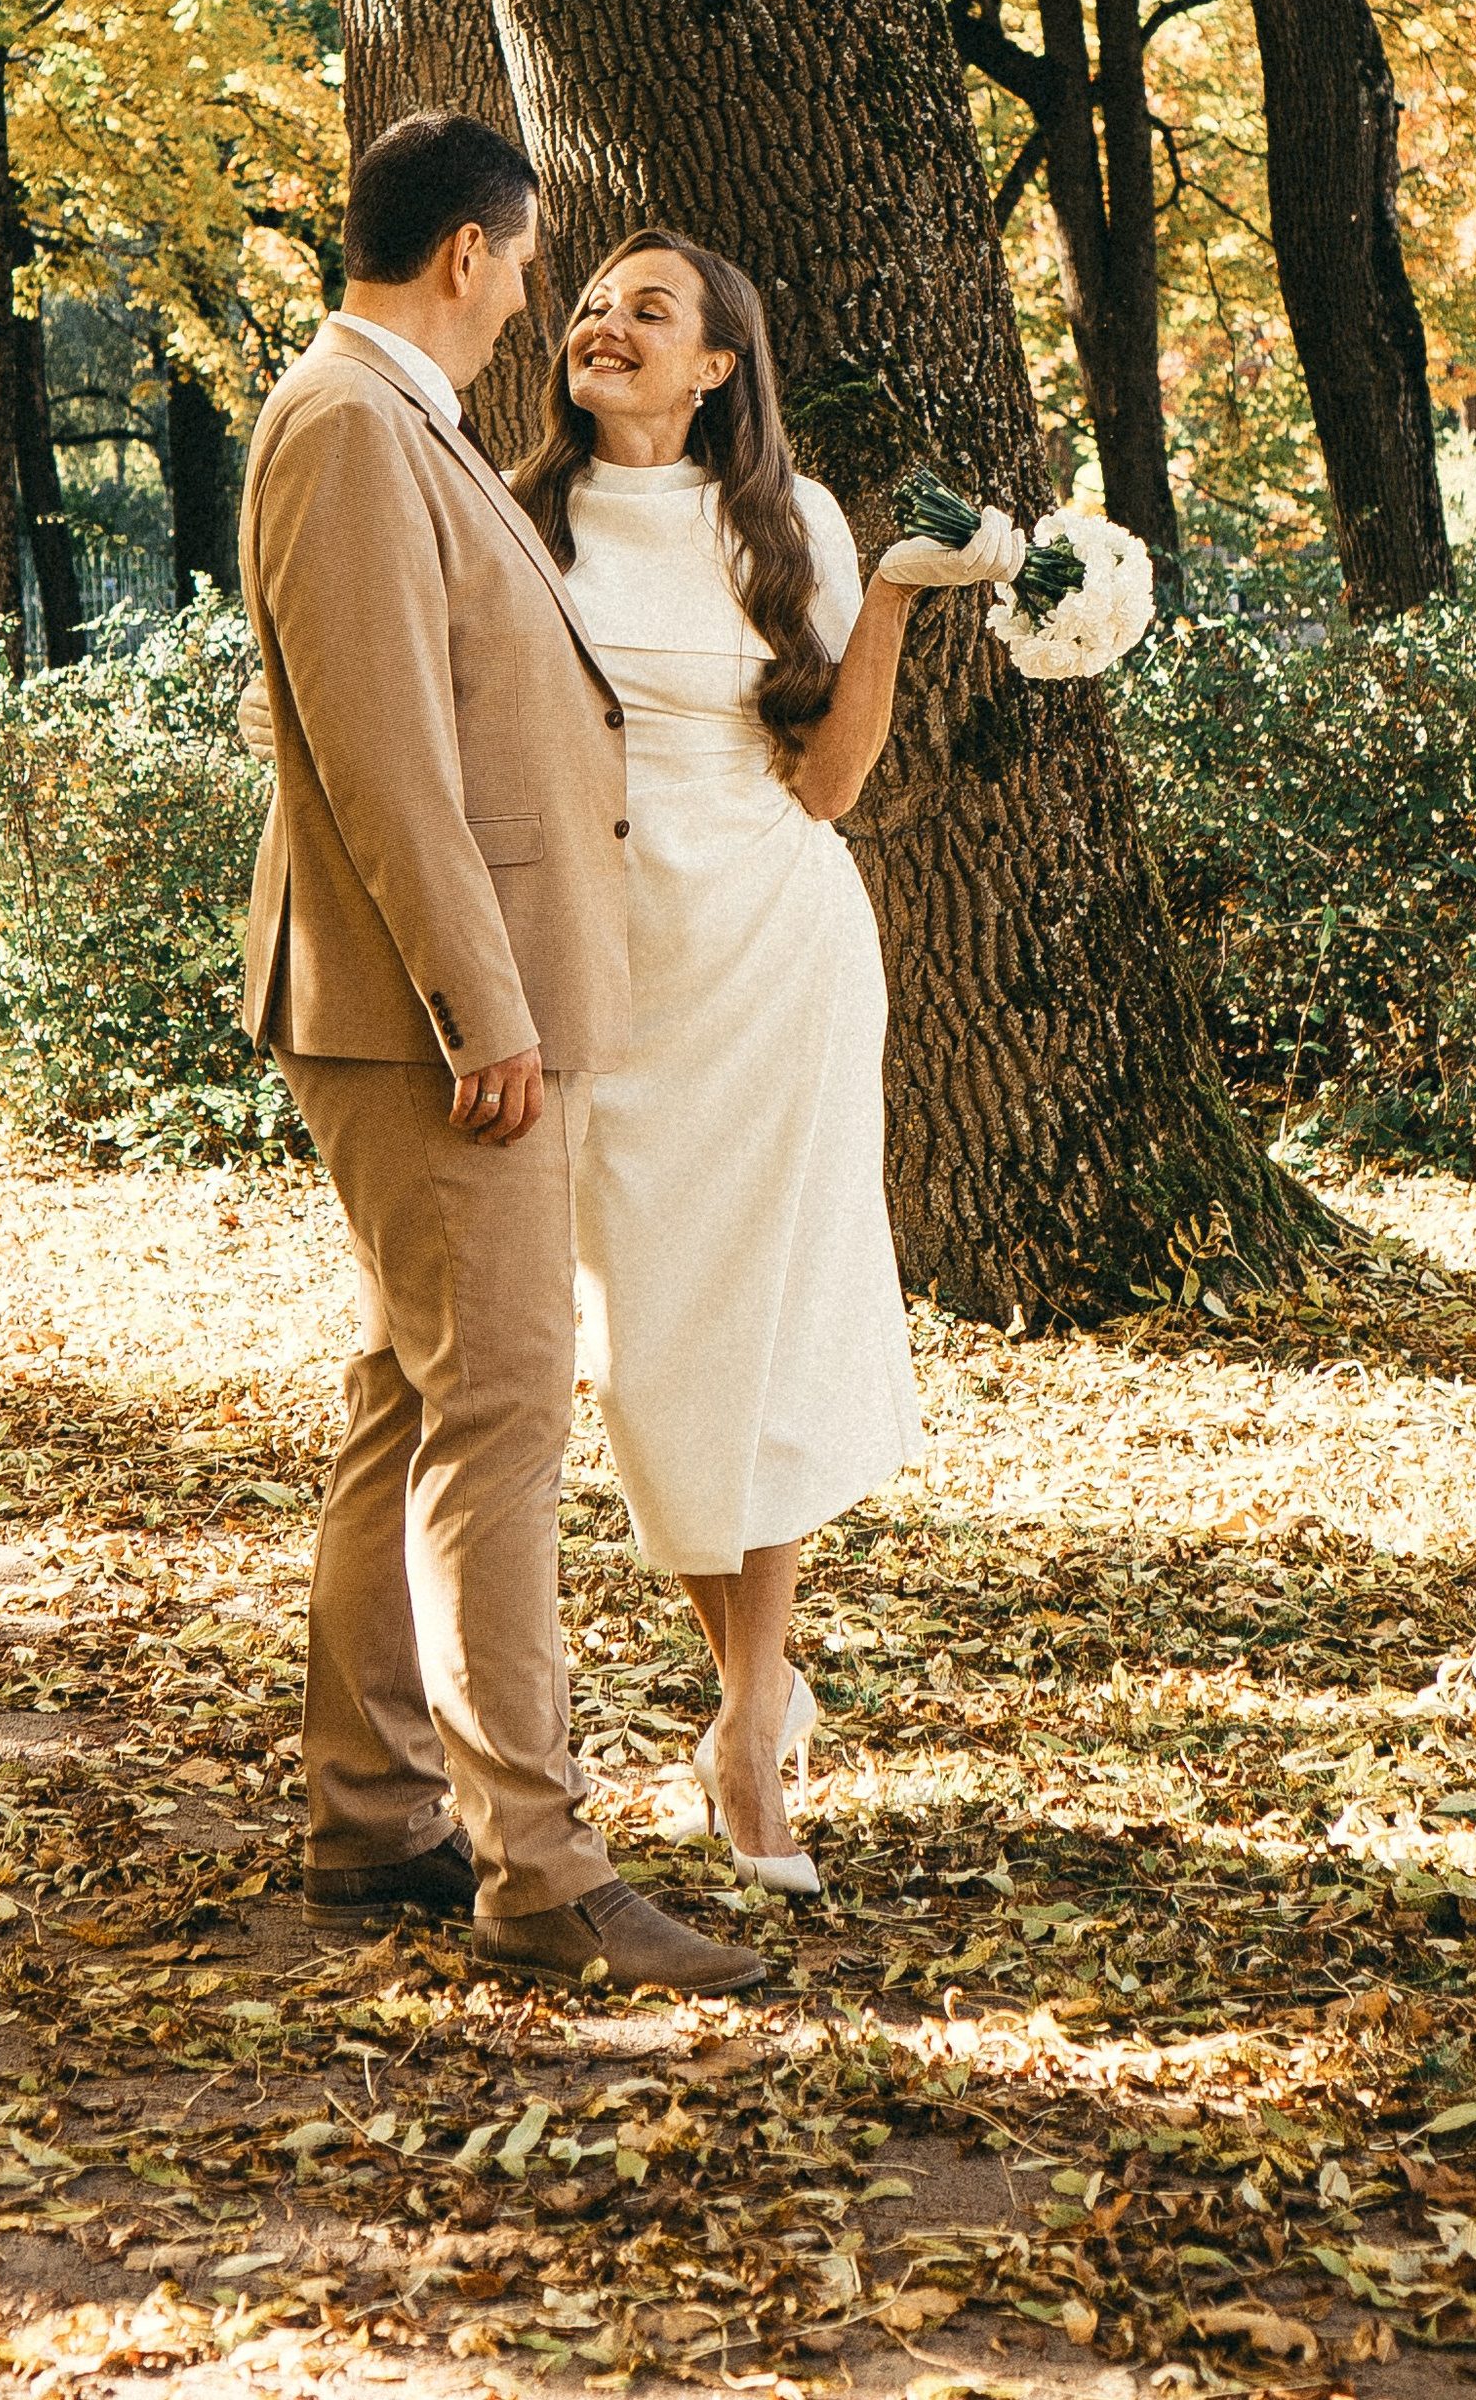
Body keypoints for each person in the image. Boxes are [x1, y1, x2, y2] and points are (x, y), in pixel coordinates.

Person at [237, 115, 765, 1998]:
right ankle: (537, 1869)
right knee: (505, 1420)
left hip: (444, 1012)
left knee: (415, 1395)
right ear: (469, 252)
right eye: (532, 259)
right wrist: (487, 1014)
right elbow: (386, 761)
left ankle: (373, 1810)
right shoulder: (352, 429)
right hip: (432, 1026)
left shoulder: (397, 424)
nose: (539, 292)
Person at [510, 231, 1015, 1892]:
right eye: (593, 301)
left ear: (718, 363)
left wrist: (887, 599)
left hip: (776, 959)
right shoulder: (517, 514)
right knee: (648, 1357)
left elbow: (830, 785)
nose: (606, 320)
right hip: (607, 976)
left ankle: (742, 1735)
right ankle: (759, 1692)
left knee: (766, 1332)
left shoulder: (784, 523)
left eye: (649, 310)